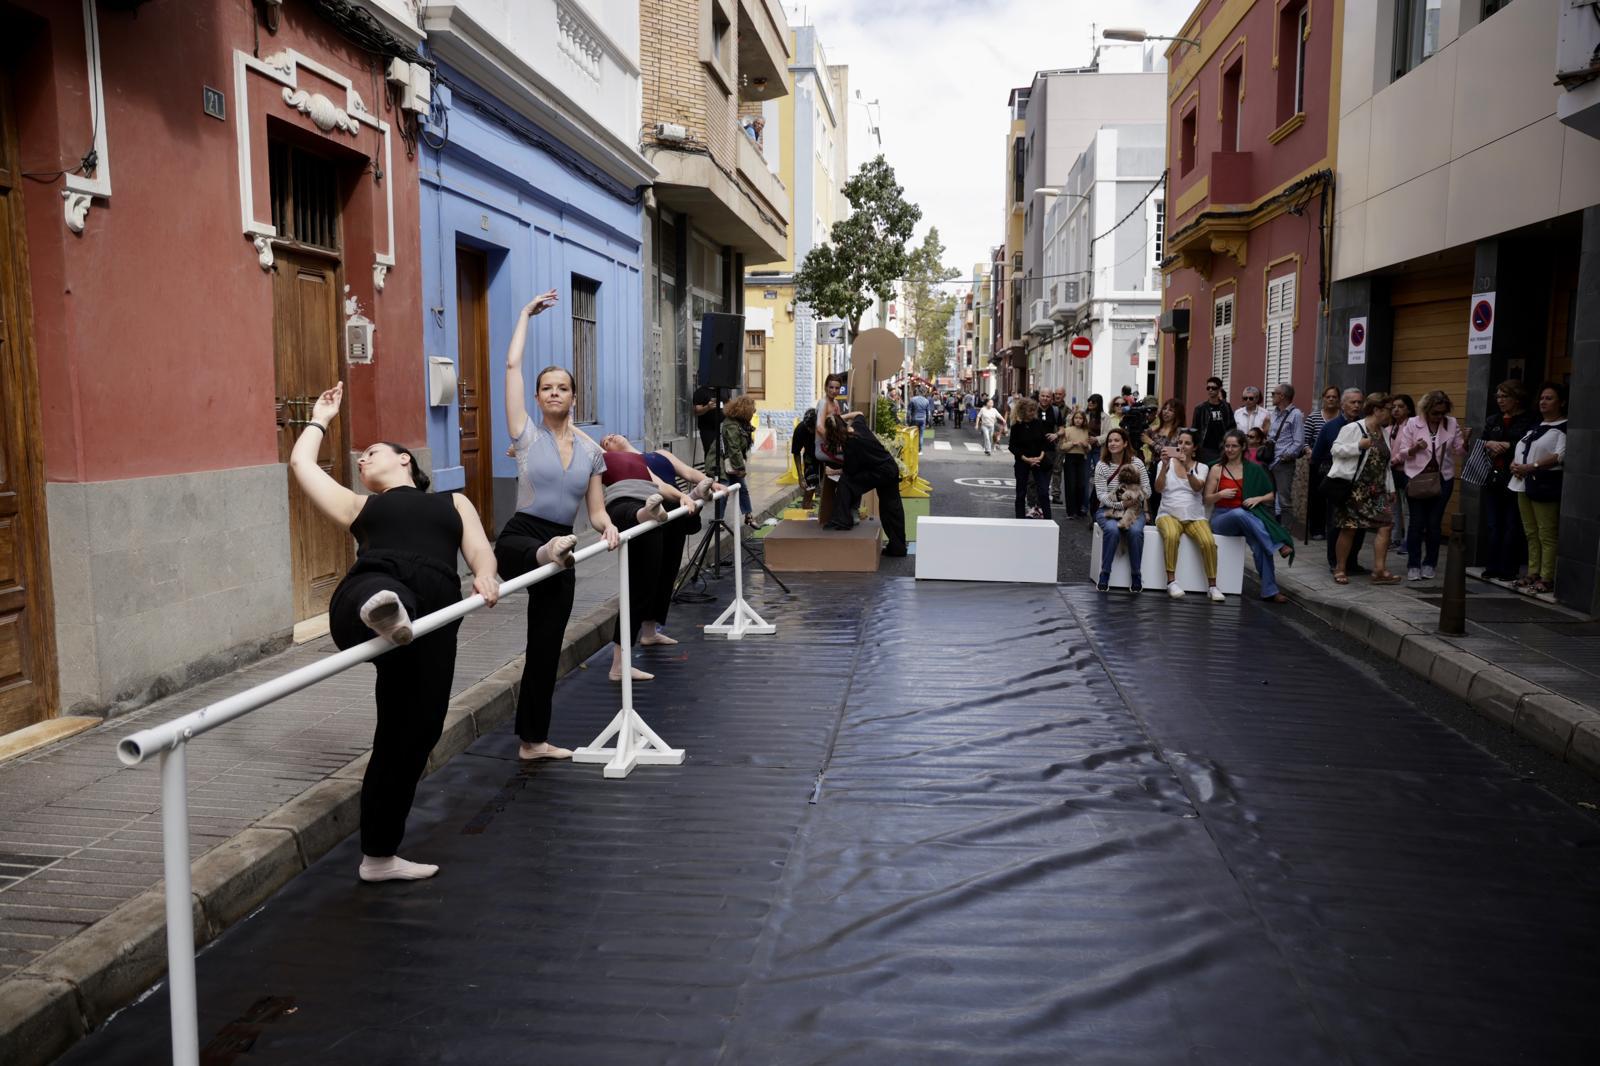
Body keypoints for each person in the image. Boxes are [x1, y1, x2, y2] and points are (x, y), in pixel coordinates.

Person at [290, 382, 500, 883]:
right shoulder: (361, 507)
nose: (362, 462)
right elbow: (301, 466)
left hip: (436, 615)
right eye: (359, 459)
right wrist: (321, 418)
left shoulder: (454, 502)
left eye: (373, 453)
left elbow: (479, 550)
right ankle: (384, 613)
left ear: (405, 460)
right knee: (373, 589)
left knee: (412, 736)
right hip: (379, 585)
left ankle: (379, 858)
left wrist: (487, 573)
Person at [496, 292, 621, 763]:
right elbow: (510, 368)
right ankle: (549, 553)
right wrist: (525, 314)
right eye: (545, 387)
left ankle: (533, 741)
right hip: (524, 537)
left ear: (573, 397)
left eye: (561, 388)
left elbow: (595, 512)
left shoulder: (590, 453)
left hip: (565, 543)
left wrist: (608, 529)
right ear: (536, 397)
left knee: (545, 651)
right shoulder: (525, 437)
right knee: (535, 550)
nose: (553, 393)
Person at [598, 435, 718, 648]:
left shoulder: (658, 454)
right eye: (606, 440)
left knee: (668, 572)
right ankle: (693, 495)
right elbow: (655, 485)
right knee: (649, 575)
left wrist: (712, 483)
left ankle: (650, 631)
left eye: (612, 434)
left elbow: (687, 472)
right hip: (652, 508)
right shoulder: (620, 461)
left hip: (673, 509)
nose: (611, 437)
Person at [1206, 429, 1294, 602]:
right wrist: (1220, 495)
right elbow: (1207, 499)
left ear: (1243, 447)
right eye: (1227, 446)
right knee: (1239, 513)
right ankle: (1276, 543)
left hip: (1248, 519)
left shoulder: (1253, 469)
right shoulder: (1217, 468)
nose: (1229, 450)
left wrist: (1258, 498)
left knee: (1261, 547)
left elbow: (1271, 495)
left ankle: (1270, 591)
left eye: (1234, 446)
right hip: (1222, 519)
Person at [1392, 389, 1468, 582]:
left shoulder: (1450, 423)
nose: (1439, 416)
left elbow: (1459, 451)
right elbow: (1401, 454)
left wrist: (1465, 442)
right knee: (1417, 523)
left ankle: (1430, 564)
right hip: (1417, 477)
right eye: (1435, 413)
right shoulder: (1412, 424)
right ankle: (1414, 565)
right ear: (1426, 410)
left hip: (1443, 478)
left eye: (1443, 412)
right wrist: (1415, 448)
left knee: (1434, 524)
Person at [1329, 393, 1399, 585]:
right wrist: (1358, 446)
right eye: (1388, 410)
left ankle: (1379, 570)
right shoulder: (1353, 428)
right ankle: (1340, 568)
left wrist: (1391, 489)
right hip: (1355, 488)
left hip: (1378, 490)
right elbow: (1335, 450)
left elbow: (1385, 464)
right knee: (1349, 529)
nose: (1392, 414)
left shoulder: (1384, 433)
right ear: (1377, 410)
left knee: (1386, 525)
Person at [1508, 383, 1567, 596]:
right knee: (1531, 532)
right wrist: (1514, 465)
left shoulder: (1563, 428)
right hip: (1523, 484)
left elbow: (1559, 455)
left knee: (1546, 533)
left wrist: (1531, 466)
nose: (1543, 401)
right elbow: (1522, 449)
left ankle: (1547, 576)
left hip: (1544, 486)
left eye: (1549, 398)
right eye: (1542, 398)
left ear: (1562, 402)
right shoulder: (1535, 426)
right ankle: (1533, 571)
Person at [821, 414, 908, 556]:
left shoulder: (851, 444)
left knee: (846, 482)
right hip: (889, 468)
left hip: (881, 473)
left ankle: (842, 520)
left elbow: (850, 471)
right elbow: (860, 414)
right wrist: (836, 417)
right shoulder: (858, 425)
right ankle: (898, 547)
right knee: (891, 509)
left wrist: (833, 470)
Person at [1154, 429, 1224, 602]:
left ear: (1194, 448)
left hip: (1194, 515)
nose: (1182, 446)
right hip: (1168, 512)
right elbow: (1158, 488)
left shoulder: (1202, 467)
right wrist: (1163, 467)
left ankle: (1213, 586)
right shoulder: (1165, 463)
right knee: (1170, 535)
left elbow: (1197, 487)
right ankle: (1171, 582)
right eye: (1179, 443)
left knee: (1208, 542)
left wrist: (1186, 467)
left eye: (1187, 443)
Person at [1479, 379, 1537, 581]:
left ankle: (1508, 568)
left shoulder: (1529, 420)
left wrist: (1507, 445)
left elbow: (1529, 444)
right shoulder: (1493, 420)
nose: (1501, 400)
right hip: (1493, 477)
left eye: (1505, 396)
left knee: (1512, 524)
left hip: (1516, 478)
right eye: (1498, 396)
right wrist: (1490, 444)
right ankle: (1492, 565)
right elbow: (1483, 441)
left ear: (1518, 398)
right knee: (1493, 524)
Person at [1313, 388, 1368, 574]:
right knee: (1336, 523)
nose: (1357, 406)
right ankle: (1335, 562)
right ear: (1342, 405)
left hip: (1361, 483)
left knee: (1359, 525)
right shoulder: (1330, 427)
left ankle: (1352, 561)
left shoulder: (1366, 426)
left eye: (1360, 402)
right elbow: (1317, 455)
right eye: (1353, 402)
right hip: (1338, 482)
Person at [1093, 427, 1150, 593]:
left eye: (1117, 440)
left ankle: (1136, 576)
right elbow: (1101, 495)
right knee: (1112, 530)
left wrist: (1134, 499)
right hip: (1107, 509)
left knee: (1135, 532)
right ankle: (1104, 574)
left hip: (1134, 510)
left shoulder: (1137, 463)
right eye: (1110, 441)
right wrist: (1120, 505)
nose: (1112, 443)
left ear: (1125, 443)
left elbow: (1147, 489)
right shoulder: (1102, 465)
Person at [1266, 383, 1306, 528]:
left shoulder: (1295, 415)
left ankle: (1285, 531)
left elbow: (1299, 441)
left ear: (1282, 396)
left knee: (1284, 500)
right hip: (1270, 461)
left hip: (1283, 463)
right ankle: (1271, 528)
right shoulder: (1274, 413)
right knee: (1269, 498)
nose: (1272, 396)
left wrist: (1285, 456)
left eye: (1273, 393)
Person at [1304, 385, 1341, 539]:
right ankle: (1317, 529)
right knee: (1318, 496)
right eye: (1328, 396)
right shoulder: (1313, 417)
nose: (1331, 399)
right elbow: (1305, 440)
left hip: (1339, 463)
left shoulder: (1343, 418)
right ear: (1323, 399)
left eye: (1334, 396)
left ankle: (1334, 528)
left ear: (1339, 399)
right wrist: (1309, 451)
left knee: (1335, 497)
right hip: (1319, 463)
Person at [1008, 397, 1053, 520]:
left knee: (1043, 492)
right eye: (1030, 411)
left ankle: (1048, 520)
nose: (1033, 413)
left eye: (1034, 410)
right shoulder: (1017, 426)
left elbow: (1045, 442)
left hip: (1039, 460)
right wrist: (1025, 459)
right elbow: (1012, 446)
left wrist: (1041, 456)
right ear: (1023, 411)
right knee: (1021, 493)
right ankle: (1020, 520)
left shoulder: (1038, 423)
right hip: (1023, 461)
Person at [716, 393, 757, 526]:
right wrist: (740, 468)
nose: (753, 412)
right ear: (745, 410)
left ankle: (748, 515)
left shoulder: (740, 423)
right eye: (752, 410)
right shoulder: (731, 425)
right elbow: (734, 448)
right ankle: (719, 520)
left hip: (732, 463)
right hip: (724, 463)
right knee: (724, 491)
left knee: (742, 488)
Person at [1385, 394, 1417, 543]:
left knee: (1408, 510)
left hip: (1407, 472)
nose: (1396, 410)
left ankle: (1408, 541)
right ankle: (1395, 538)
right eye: (1394, 407)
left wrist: (1394, 460)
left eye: (1401, 406)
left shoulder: (1411, 426)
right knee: (1394, 508)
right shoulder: (1390, 427)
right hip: (1392, 473)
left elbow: (1409, 449)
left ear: (1409, 409)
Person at [1057, 410, 1091, 519]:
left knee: (1081, 484)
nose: (1078, 420)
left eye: (1080, 418)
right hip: (1070, 458)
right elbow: (1062, 447)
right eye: (1076, 418)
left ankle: (1079, 509)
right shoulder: (1067, 430)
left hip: (1082, 458)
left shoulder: (1086, 431)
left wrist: (1086, 445)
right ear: (1073, 419)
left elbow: (1088, 448)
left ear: (1083, 420)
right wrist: (1072, 443)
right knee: (1070, 484)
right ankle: (1070, 512)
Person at [1192, 377, 1232, 463]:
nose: (1210, 390)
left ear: (1219, 389)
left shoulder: (1226, 407)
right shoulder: (1200, 408)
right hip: (1205, 448)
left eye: (1213, 388)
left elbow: (1231, 426)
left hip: (1223, 447)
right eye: (1208, 388)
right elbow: (1195, 429)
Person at [791, 407, 820, 510]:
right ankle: (807, 507)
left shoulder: (824, 427)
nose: (810, 430)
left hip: (825, 456)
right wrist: (800, 476)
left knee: (828, 488)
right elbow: (796, 453)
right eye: (808, 427)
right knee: (809, 486)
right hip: (810, 457)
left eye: (812, 428)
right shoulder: (800, 430)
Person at [1083, 394, 1105, 514]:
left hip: (1098, 448)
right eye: (1089, 401)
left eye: (1093, 402)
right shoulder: (1084, 415)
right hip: (1086, 448)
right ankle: (1085, 505)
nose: (1090, 403)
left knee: (1099, 476)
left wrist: (1097, 439)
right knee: (1085, 477)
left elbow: (1108, 433)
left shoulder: (1104, 418)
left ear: (1099, 404)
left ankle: (1097, 504)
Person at [691, 383, 723, 464]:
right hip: (707, 429)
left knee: (722, 453)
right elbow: (696, 411)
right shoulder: (700, 392)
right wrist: (707, 407)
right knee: (710, 452)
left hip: (723, 428)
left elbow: (728, 403)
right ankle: (710, 473)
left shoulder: (723, 390)